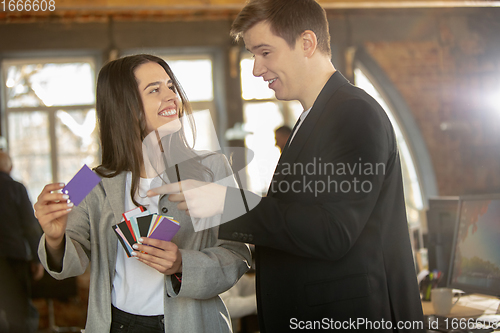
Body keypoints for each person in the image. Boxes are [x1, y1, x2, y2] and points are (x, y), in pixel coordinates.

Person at [147, 0, 425, 332]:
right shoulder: (310, 118)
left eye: (265, 52)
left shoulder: (353, 113)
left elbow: (334, 231)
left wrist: (226, 202)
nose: (256, 69)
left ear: (307, 43)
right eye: (253, 55)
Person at [34, 54, 251, 333]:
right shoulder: (85, 180)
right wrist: (54, 238)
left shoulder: (213, 167)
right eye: (155, 89)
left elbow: (238, 254)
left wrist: (183, 264)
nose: (171, 96)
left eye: (171, 86)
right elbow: (68, 265)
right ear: (125, 106)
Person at [0, 151, 44, 333]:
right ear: (10, 167)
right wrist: (38, 259)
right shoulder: (17, 188)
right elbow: (30, 227)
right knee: (19, 313)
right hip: (13, 258)